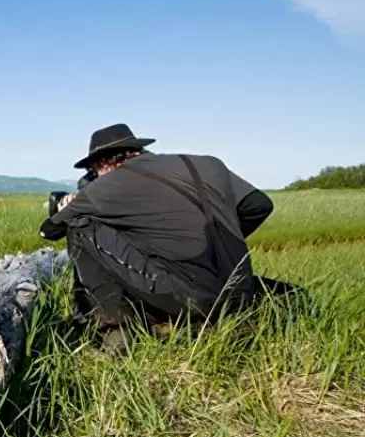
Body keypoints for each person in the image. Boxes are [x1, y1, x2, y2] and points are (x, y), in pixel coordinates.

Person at [39, 123, 281, 354]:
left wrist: (66, 205)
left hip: (189, 299)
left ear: (105, 163)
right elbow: (259, 205)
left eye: (93, 172)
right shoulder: (205, 164)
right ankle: (195, 322)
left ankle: (115, 331)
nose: (93, 178)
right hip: (240, 290)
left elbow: (49, 230)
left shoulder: (110, 182)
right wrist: (218, 242)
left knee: (80, 224)